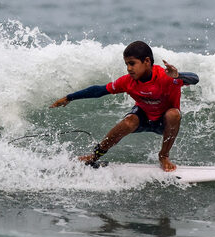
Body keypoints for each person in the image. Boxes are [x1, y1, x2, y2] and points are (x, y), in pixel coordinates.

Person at [50, 41, 199, 171]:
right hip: (144, 117)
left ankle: (164, 156)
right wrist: (70, 97)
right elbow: (99, 90)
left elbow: (195, 79)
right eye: (126, 64)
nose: (128, 68)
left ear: (147, 61)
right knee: (129, 121)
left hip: (164, 121)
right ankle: (95, 156)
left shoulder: (166, 77)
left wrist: (177, 76)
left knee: (174, 114)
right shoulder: (128, 81)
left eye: (132, 63)